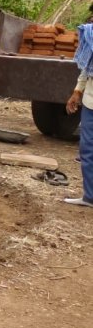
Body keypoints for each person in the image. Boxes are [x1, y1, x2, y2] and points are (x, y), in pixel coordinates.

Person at [64, 12, 93, 208]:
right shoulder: (91, 39)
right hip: (91, 103)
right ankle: (89, 196)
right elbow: (86, 69)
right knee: (87, 149)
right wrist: (76, 92)